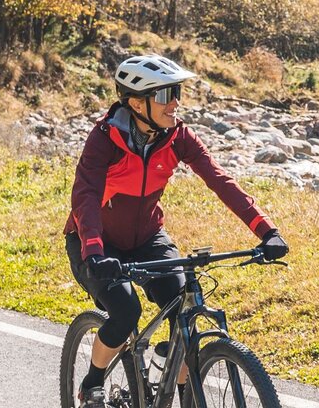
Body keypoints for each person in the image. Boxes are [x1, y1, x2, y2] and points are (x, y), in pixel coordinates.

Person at [64, 54, 290, 407]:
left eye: (177, 92)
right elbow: (86, 196)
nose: (176, 103)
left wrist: (265, 229)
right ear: (138, 103)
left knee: (182, 302)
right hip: (95, 243)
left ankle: (173, 381)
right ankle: (92, 381)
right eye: (166, 95)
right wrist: (93, 249)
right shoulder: (104, 139)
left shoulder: (177, 136)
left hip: (147, 239)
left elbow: (221, 181)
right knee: (125, 310)